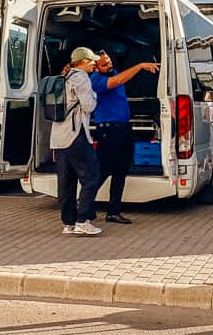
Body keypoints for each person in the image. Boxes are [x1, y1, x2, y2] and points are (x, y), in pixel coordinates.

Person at [90, 51, 160, 224]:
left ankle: (113, 211)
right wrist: (140, 65)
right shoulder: (96, 80)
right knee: (103, 170)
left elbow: (119, 77)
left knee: (121, 171)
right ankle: (84, 205)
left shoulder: (113, 72)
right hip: (108, 130)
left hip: (123, 128)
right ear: (96, 67)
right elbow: (118, 81)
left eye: (109, 61)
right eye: (105, 64)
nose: (109, 65)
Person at [52, 47, 105, 236]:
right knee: (91, 177)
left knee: (66, 182)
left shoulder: (63, 77)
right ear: (82, 62)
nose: (94, 64)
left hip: (58, 137)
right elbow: (89, 106)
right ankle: (83, 220)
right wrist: (95, 95)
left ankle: (68, 223)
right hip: (76, 135)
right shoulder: (81, 77)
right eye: (92, 61)